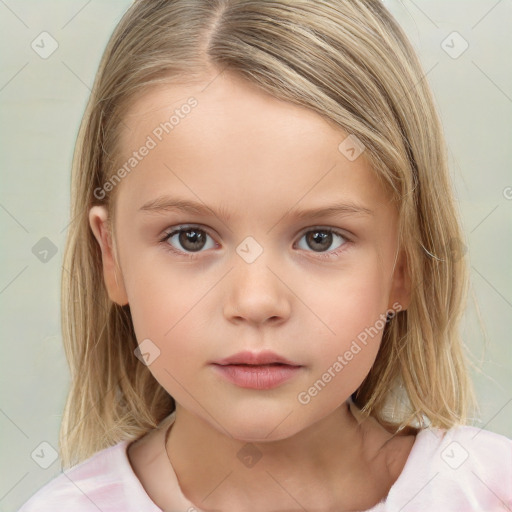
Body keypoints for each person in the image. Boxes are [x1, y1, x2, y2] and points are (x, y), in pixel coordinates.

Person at [18, 0, 511, 511]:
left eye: (320, 238)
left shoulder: (489, 491)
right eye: (190, 237)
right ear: (112, 258)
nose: (255, 302)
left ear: (404, 265)